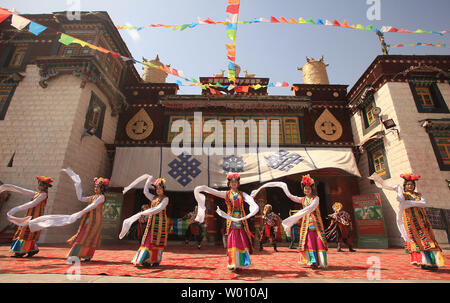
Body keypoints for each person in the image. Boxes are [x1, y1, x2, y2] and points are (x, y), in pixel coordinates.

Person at [368, 172, 445, 270]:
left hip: (422, 222)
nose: (410, 186)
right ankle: (423, 262)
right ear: (405, 186)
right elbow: (401, 200)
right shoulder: (403, 195)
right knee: (416, 242)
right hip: (410, 223)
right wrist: (400, 192)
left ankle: (432, 263)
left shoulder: (419, 195)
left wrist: (408, 203)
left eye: (412, 185)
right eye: (408, 184)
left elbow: (423, 203)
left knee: (427, 240)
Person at [251, 175, 328, 269]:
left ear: (312, 189)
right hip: (306, 225)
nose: (307, 190)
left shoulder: (316, 199)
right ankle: (312, 261)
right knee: (308, 243)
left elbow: (311, 208)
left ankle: (320, 261)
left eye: (308, 188)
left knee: (317, 242)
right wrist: (284, 188)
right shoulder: (303, 199)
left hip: (315, 224)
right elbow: (292, 197)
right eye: (305, 188)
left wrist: (295, 217)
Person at [194, 173, 259, 271]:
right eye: (232, 182)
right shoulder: (226, 194)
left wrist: (254, 206)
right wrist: (204, 188)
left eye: (235, 182)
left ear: (238, 184)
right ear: (229, 184)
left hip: (240, 221)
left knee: (241, 241)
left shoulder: (242, 194)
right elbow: (214, 191)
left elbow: (250, 200)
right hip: (231, 221)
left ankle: (241, 264)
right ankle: (233, 263)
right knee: (232, 241)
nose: (234, 183)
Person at [119, 174, 169, 268]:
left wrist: (144, 213)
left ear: (163, 189)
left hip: (160, 223)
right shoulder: (153, 198)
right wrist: (148, 180)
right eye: (157, 188)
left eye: (160, 188)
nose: (158, 190)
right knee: (148, 239)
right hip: (151, 222)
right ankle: (145, 259)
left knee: (158, 241)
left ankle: (155, 260)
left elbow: (159, 208)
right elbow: (145, 192)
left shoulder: (165, 199)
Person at [0, 176, 53, 258]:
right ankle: (33, 249)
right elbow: (23, 191)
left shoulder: (43, 195)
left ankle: (21, 251)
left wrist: (16, 209)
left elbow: (33, 203)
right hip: (31, 214)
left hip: (35, 216)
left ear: (43, 186)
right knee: (27, 232)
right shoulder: (38, 194)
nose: (38, 186)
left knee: (26, 232)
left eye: (39, 184)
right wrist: (9, 187)